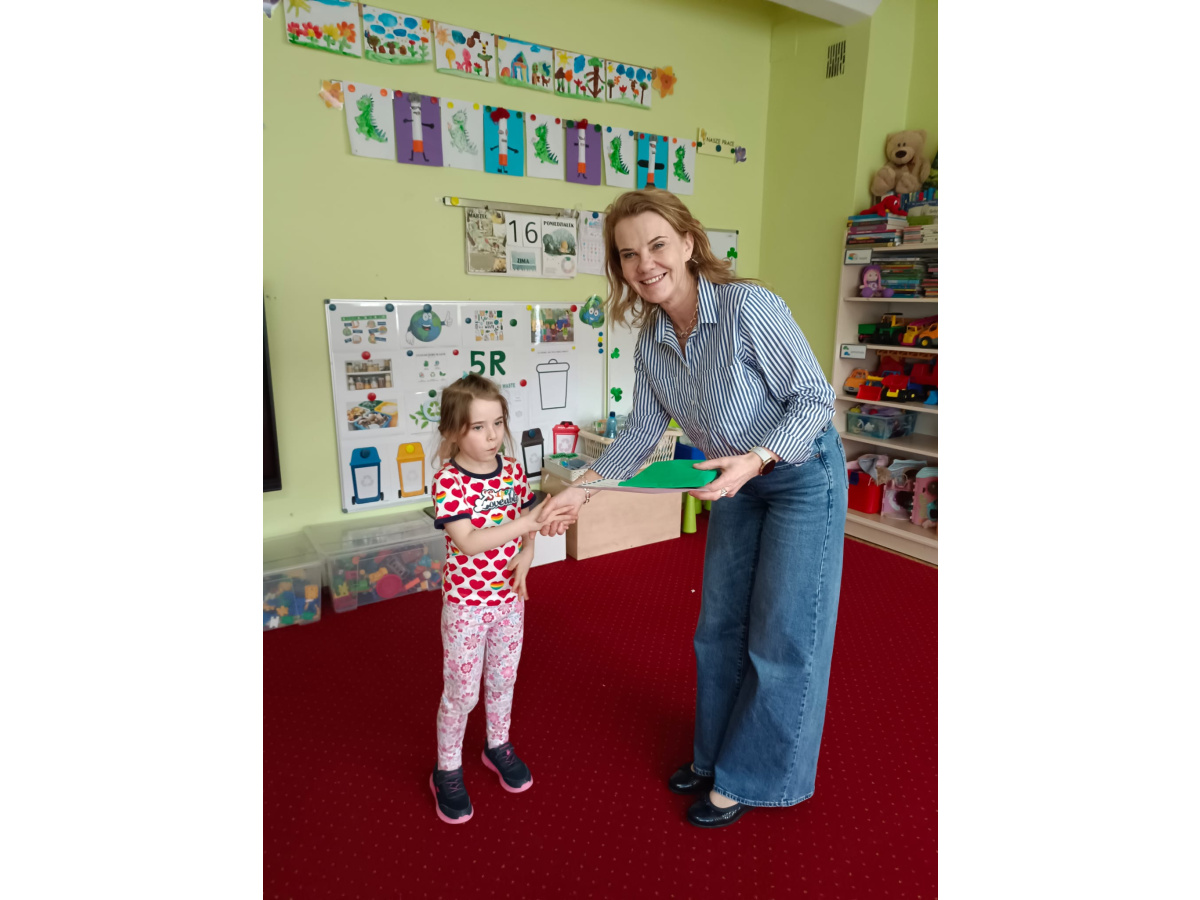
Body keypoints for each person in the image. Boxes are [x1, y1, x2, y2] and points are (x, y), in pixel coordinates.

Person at [537, 189, 848, 829]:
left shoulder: (747, 307)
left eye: (656, 245)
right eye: (629, 255)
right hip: (729, 482)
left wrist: (757, 459)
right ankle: (714, 757)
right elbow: (639, 434)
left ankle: (753, 777)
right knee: (719, 630)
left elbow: (816, 399)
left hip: (797, 473)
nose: (644, 264)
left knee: (783, 635)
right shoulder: (651, 342)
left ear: (687, 243)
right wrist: (581, 488)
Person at [427, 373, 563, 824]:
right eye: (478, 427)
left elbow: (526, 513)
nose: (492, 436)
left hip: (508, 600)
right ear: (453, 432)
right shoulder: (449, 482)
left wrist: (528, 553)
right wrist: (525, 526)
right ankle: (447, 768)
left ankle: (497, 744)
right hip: (466, 605)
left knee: (504, 679)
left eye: (498, 423)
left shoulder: (511, 470)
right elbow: (468, 541)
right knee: (462, 693)